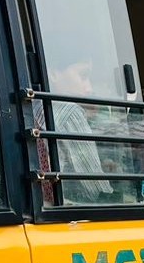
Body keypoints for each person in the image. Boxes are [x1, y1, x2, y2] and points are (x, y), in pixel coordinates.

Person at [46, 58, 113, 203]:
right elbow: (96, 187)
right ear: (53, 73)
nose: (89, 88)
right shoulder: (70, 111)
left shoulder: (36, 106)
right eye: (83, 76)